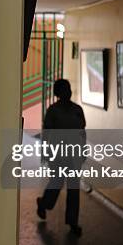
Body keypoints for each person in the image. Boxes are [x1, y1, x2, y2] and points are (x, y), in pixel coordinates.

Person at [36, 78, 86, 236]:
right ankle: (44, 203)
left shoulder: (78, 110)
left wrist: (83, 150)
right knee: (56, 183)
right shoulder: (53, 111)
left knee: (73, 189)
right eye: (65, 89)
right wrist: (45, 151)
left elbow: (82, 132)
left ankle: (73, 222)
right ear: (58, 93)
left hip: (74, 154)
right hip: (57, 153)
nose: (69, 91)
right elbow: (47, 133)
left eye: (69, 88)